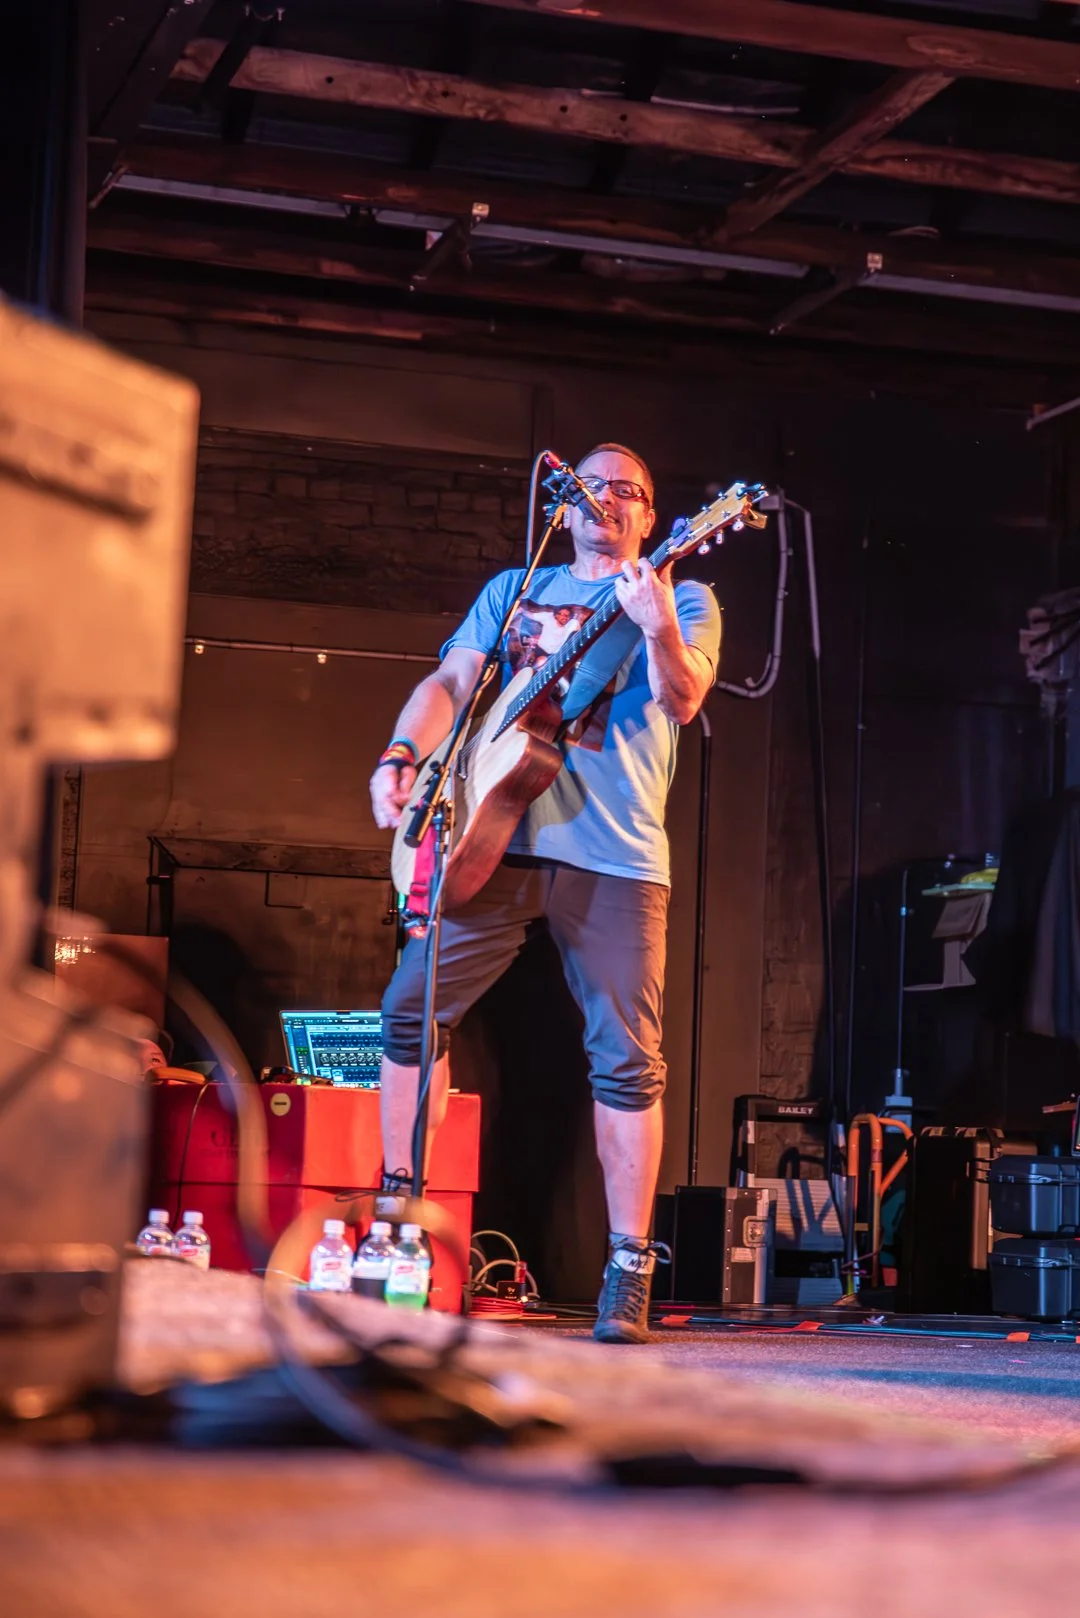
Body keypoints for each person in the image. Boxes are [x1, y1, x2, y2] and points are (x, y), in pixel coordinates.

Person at [369, 444, 721, 1343]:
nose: (608, 500)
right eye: (591, 487)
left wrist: (657, 628)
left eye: (629, 491)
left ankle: (629, 1266)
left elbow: (683, 700)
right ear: (565, 504)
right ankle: (398, 1224)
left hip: (616, 859)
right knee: (409, 1011)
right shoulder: (515, 589)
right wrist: (401, 755)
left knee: (626, 1060)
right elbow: (452, 681)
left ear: (651, 516)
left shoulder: (683, 597)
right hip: (492, 836)